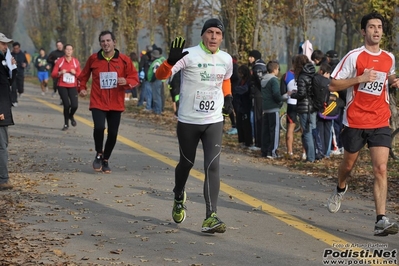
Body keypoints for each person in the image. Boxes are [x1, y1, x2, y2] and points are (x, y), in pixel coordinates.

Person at [155, 18, 233, 234]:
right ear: (203, 35)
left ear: (222, 37)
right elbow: (160, 75)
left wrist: (228, 97)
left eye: (218, 33)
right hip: (188, 121)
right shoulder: (188, 55)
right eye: (210, 32)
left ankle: (211, 216)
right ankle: (179, 194)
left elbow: (226, 79)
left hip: (214, 121)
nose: (214, 37)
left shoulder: (226, 59)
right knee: (186, 163)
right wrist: (170, 62)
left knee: (212, 166)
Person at [327, 12, 399, 237]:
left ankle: (380, 219)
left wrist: (392, 81)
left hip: (380, 120)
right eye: (371, 27)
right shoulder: (354, 57)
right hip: (355, 121)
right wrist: (359, 79)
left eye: (379, 27)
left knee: (381, 168)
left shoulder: (389, 57)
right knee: (347, 167)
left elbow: (388, 78)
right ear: (363, 31)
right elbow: (332, 84)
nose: (376, 31)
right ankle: (340, 187)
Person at [78, 30, 139, 174]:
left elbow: (135, 78)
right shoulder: (93, 59)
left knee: (113, 133)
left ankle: (105, 159)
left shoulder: (124, 60)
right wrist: (81, 88)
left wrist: (126, 81)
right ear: (100, 44)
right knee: (99, 128)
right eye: (103, 41)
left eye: (108, 41)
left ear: (114, 42)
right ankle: (99, 153)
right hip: (98, 101)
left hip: (116, 103)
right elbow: (83, 76)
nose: (105, 44)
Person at [290, 54, 317, 162]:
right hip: (313, 106)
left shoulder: (302, 76)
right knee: (312, 131)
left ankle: (310, 158)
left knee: (306, 132)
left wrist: (293, 94)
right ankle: (314, 155)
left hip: (304, 107)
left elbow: (301, 94)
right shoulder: (312, 74)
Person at [51, 44, 81, 131]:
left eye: (70, 50)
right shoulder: (60, 61)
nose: (68, 51)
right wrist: (60, 73)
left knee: (74, 105)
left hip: (72, 85)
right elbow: (53, 74)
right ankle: (66, 124)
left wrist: (75, 73)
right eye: (67, 49)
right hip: (62, 85)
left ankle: (71, 115)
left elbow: (80, 75)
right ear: (64, 50)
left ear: (72, 51)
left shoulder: (75, 62)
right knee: (66, 105)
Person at [0, 32, 17, 190]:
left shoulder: (3, 61)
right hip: (1, 110)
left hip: (4, 107)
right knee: (2, 146)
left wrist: (13, 68)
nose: (6, 47)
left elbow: (8, 83)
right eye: (3, 44)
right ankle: (3, 179)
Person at [260, 60, 286, 159]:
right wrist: (282, 100)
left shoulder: (263, 79)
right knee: (274, 131)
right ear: (275, 69)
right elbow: (276, 94)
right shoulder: (274, 80)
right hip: (273, 108)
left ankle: (264, 150)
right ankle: (272, 152)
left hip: (265, 108)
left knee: (265, 131)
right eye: (278, 69)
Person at [280, 55, 298, 156]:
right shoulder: (306, 75)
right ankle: (304, 153)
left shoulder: (286, 76)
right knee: (305, 129)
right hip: (303, 104)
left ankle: (289, 152)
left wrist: (288, 94)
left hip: (291, 104)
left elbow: (282, 95)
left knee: (290, 128)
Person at [248, 50, 266, 151]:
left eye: (251, 57)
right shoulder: (260, 66)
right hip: (259, 95)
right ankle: (259, 141)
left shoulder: (258, 68)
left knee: (257, 118)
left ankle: (258, 143)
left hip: (258, 96)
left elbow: (261, 82)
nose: (249, 59)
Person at [234, 65, 253, 148]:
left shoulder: (249, 81)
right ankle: (242, 140)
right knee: (239, 123)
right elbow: (236, 89)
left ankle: (248, 141)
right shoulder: (240, 81)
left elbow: (245, 90)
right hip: (240, 104)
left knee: (246, 124)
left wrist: (239, 89)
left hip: (246, 104)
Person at [147, 49, 165, 115]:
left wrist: (152, 80)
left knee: (156, 97)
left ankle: (157, 111)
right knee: (157, 96)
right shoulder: (158, 61)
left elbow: (155, 73)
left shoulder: (156, 62)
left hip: (156, 81)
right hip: (158, 80)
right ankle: (157, 110)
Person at [226, 55, 239, 135]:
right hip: (230, 90)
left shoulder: (235, 66)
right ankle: (234, 125)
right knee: (229, 107)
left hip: (234, 90)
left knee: (235, 108)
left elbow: (236, 77)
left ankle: (236, 126)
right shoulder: (230, 66)